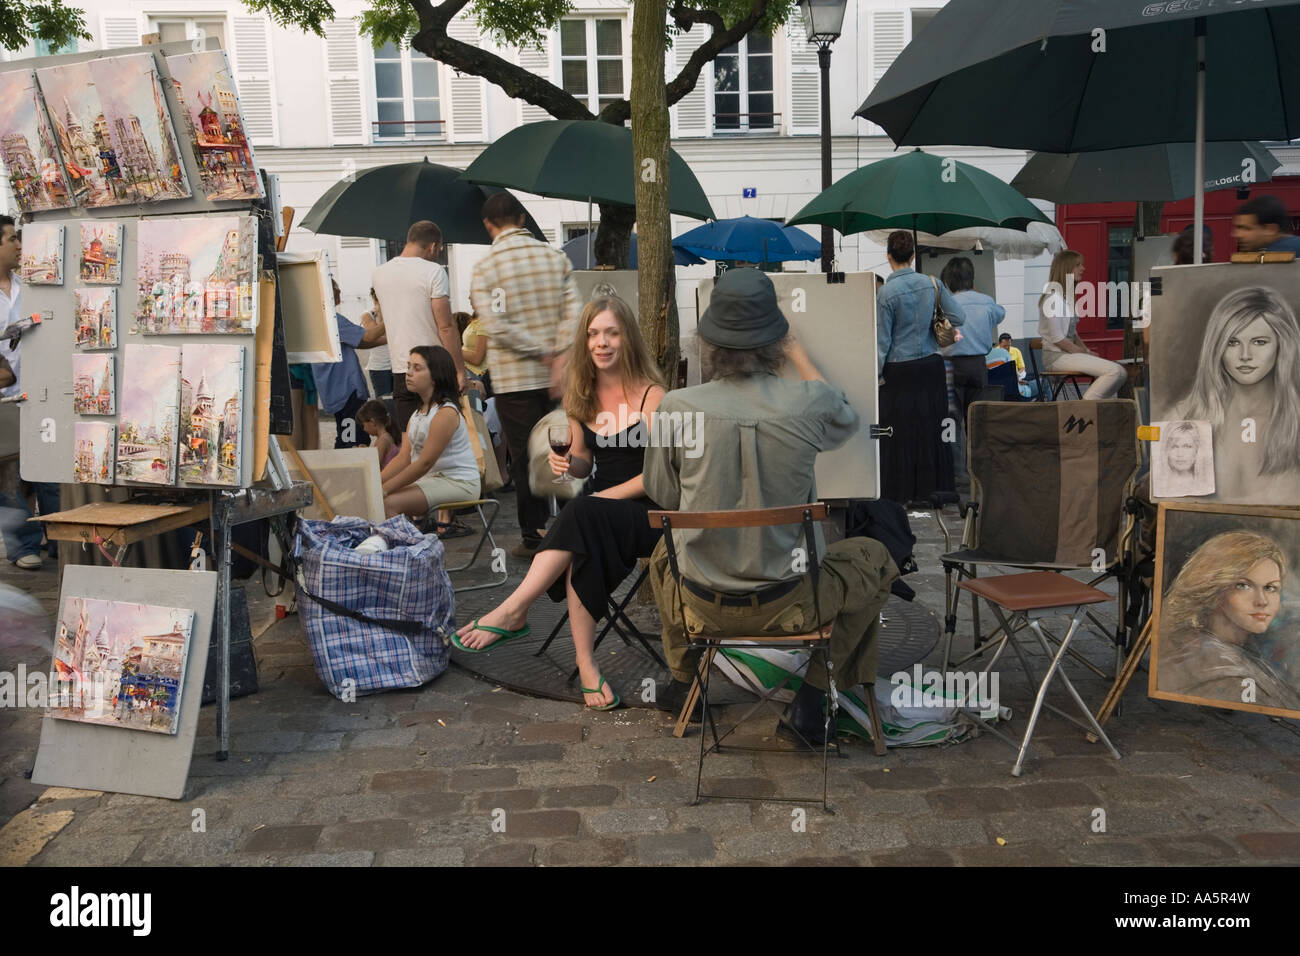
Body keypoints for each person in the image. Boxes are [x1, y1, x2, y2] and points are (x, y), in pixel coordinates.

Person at [643, 268, 899, 740]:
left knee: (665, 553)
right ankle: (813, 699)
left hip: (701, 605)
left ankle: (685, 683)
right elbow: (847, 419)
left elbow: (664, 497)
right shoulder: (811, 401)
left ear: (708, 342)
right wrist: (798, 352)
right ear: (777, 340)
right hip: (794, 602)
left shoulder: (676, 408)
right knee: (876, 559)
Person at [454, 296, 666, 709]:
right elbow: (586, 463)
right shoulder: (581, 394)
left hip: (649, 513)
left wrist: (601, 497)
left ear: (628, 338)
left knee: (583, 516)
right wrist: (568, 463)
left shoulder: (652, 395)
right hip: (596, 513)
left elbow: (658, 476)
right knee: (584, 530)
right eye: (592, 334)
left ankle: (515, 610)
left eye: (611, 332)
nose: (601, 342)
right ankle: (586, 666)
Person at [470, 192, 581, 559]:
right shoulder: (556, 258)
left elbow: (497, 327)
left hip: (514, 380)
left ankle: (534, 534)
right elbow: (574, 313)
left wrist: (539, 350)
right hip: (559, 377)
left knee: (523, 456)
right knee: (563, 447)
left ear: (488, 225)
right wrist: (559, 355)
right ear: (522, 219)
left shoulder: (486, 269)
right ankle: (573, 524)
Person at [1178, 285, 1300, 502]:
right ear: (1217, 347)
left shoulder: (1294, 421)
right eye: (1232, 342)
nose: (1245, 355)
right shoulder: (1186, 416)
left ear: (1283, 345)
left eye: (1259, 342)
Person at [1157, 531, 1300, 711]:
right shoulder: (1225, 673)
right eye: (1243, 585)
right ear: (1214, 588)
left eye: (1270, 588)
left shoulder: (1243, 651)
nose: (1262, 601)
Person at [876, 230, 965, 504]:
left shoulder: (886, 293)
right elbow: (958, 316)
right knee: (931, 428)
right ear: (913, 256)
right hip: (930, 366)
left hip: (899, 370)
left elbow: (883, 340)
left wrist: (876, 374)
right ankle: (933, 488)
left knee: (898, 432)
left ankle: (902, 489)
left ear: (888, 256)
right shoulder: (933, 283)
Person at [0, 217, 58, 571]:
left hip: (39, 393)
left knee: (49, 471)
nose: (19, 246)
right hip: (4, 400)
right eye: (10, 239)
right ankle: (22, 546)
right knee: (8, 477)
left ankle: (58, 533)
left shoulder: (28, 287)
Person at [371, 221, 466, 432]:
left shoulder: (379, 274)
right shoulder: (433, 271)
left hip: (401, 368)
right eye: (439, 249)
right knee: (442, 438)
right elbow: (446, 326)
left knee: (410, 440)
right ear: (433, 246)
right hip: (434, 367)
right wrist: (459, 370)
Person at [379, 346, 479, 519]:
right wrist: (374, 482)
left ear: (435, 376)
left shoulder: (445, 413)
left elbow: (424, 463)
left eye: (417, 368)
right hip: (433, 480)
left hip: (459, 483)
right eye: (409, 366)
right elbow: (404, 457)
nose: (408, 373)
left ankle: (411, 545)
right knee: (375, 499)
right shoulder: (418, 413)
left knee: (386, 503)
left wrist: (385, 489)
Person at [1038, 250, 1126, 400]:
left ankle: (1089, 408)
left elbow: (1073, 333)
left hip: (1065, 354)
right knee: (1115, 371)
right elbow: (1058, 339)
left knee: (1121, 373)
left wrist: (1086, 350)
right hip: (1056, 357)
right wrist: (1083, 353)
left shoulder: (1066, 297)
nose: (1083, 268)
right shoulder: (1053, 299)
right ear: (1066, 268)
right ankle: (1083, 410)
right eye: (1078, 265)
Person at [311, 279, 386, 449]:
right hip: (345, 389)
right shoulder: (331, 318)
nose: (339, 291)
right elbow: (367, 336)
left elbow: (359, 341)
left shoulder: (319, 318)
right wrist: (391, 321)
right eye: (336, 288)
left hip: (336, 389)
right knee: (351, 439)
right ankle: (348, 471)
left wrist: (387, 340)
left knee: (349, 433)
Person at [940, 256, 1005, 421]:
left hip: (951, 365)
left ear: (948, 282)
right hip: (978, 365)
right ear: (972, 279)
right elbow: (1000, 313)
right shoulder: (986, 302)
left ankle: (955, 447)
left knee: (951, 420)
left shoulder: (944, 304)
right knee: (976, 420)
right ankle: (974, 447)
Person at [1154, 420, 1213, 498]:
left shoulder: (1206, 485)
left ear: (1197, 449)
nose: (1180, 454)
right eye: (1174, 447)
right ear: (1166, 450)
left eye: (1187, 446)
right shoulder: (1160, 485)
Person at [1233, 194, 1300, 255]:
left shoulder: (1273, 257)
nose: (1237, 234)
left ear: (1271, 229)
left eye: (1246, 228)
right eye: (1238, 228)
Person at [360, 288, 392, 399]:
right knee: (384, 402)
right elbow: (374, 336)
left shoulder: (397, 312)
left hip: (399, 365)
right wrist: (382, 314)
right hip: (380, 367)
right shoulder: (368, 315)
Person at [357, 399, 402, 468]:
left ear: (372, 422)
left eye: (364, 425)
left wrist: (361, 454)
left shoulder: (382, 441)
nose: (364, 429)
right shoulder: (385, 437)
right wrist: (367, 450)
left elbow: (373, 466)